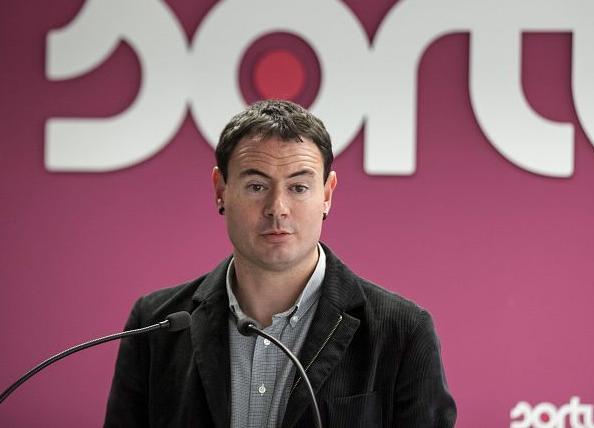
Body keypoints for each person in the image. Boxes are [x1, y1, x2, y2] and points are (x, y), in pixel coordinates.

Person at [104, 100, 456, 428]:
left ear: (327, 194)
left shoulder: (402, 331)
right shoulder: (156, 325)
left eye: (299, 188)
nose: (277, 208)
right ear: (220, 191)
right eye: (257, 186)